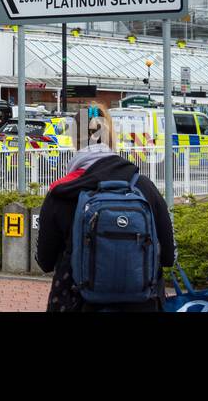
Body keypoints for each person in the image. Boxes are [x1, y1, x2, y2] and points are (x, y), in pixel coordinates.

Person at [35, 107, 176, 311]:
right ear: (111, 137)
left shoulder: (62, 192)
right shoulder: (144, 187)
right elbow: (169, 257)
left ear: (75, 140)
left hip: (77, 304)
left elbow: (45, 261)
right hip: (143, 305)